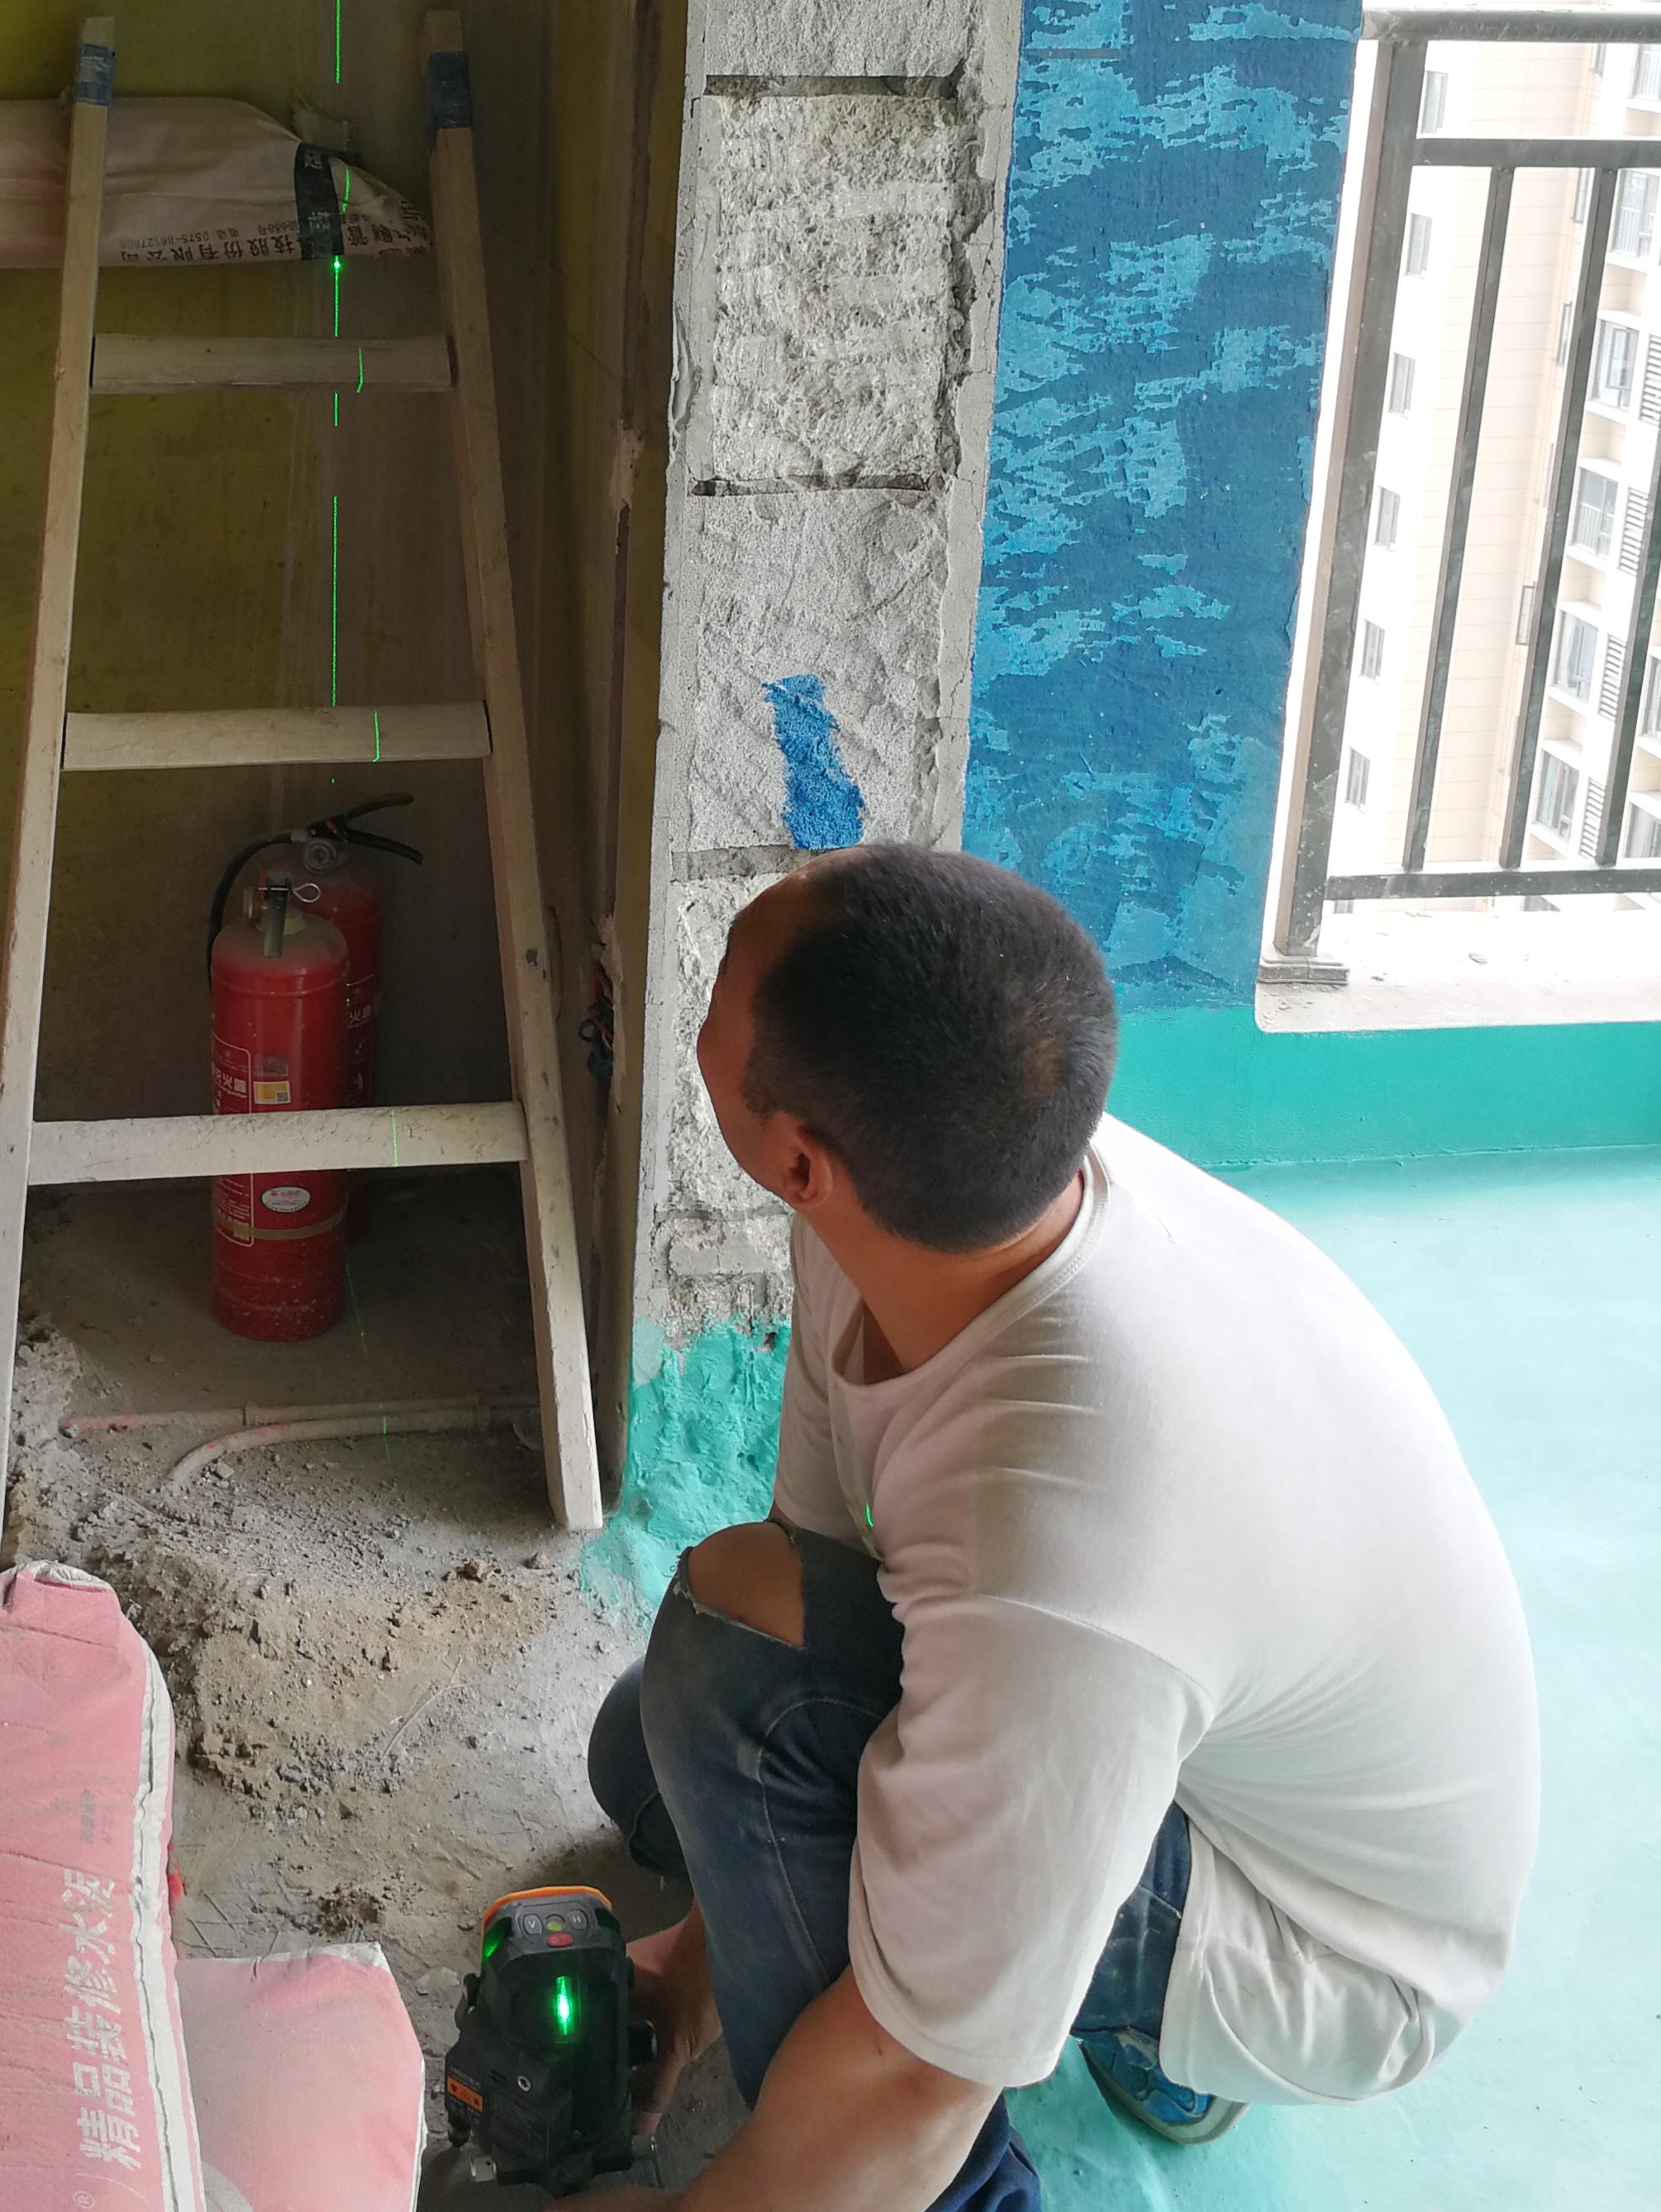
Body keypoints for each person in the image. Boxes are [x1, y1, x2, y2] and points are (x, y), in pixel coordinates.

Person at [588, 844, 1537, 2212]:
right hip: (1193, 1722)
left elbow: (914, 2075)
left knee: (731, 1693)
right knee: (649, 1749)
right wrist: (692, 1965)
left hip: (1328, 1938)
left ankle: (997, 2177)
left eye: (714, 996)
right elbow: (820, 1571)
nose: (697, 1006)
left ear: (798, 1158)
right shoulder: (946, 1184)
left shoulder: (1058, 1556)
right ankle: (1042, 1962)